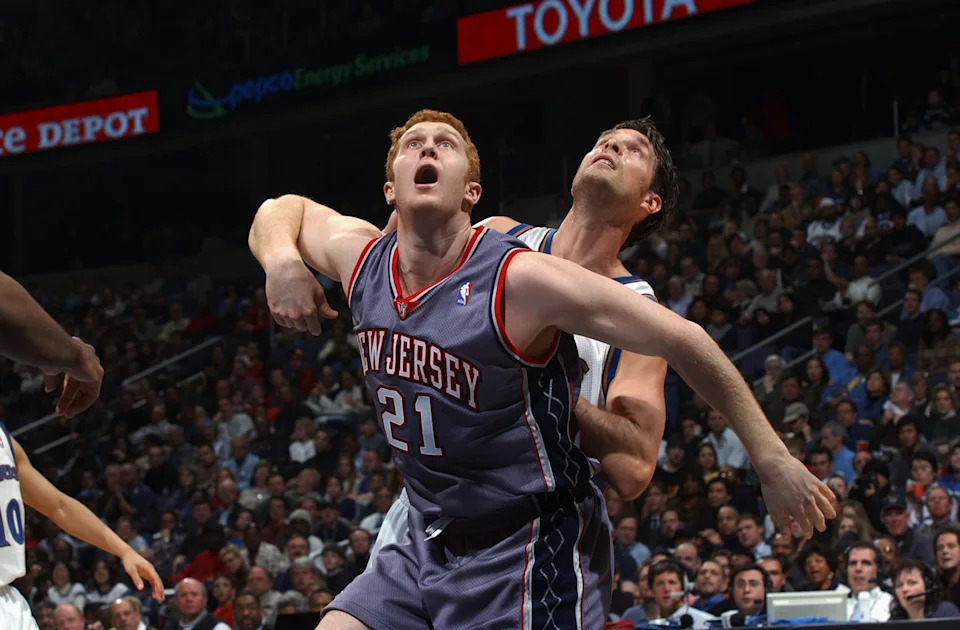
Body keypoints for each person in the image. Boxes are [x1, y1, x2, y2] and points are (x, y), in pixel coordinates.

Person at [249, 110, 834, 628]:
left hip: (525, 526)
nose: (610, 145)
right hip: (427, 518)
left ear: (649, 202)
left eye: (632, 149)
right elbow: (297, 215)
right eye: (603, 138)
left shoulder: (606, 301)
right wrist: (283, 261)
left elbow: (633, 469)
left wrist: (534, 391)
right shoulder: (495, 235)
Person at [0, 272, 165, 630]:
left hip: (9, 602)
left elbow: (58, 506)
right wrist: (68, 354)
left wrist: (123, 550)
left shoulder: (4, 440)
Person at [839, 542, 893, 621]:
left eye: (866, 563)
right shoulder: (838, 607)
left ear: (879, 570)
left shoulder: (891, 604)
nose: (858, 568)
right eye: (853, 563)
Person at [891, 558, 960, 619]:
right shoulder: (893, 622)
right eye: (899, 585)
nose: (905, 589)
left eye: (912, 583)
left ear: (928, 586)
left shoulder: (946, 612)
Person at [162, 578, 231, 630]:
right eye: (183, 595)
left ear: (204, 599)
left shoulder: (218, 628)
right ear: (176, 600)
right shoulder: (170, 628)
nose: (189, 599)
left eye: (194, 594)